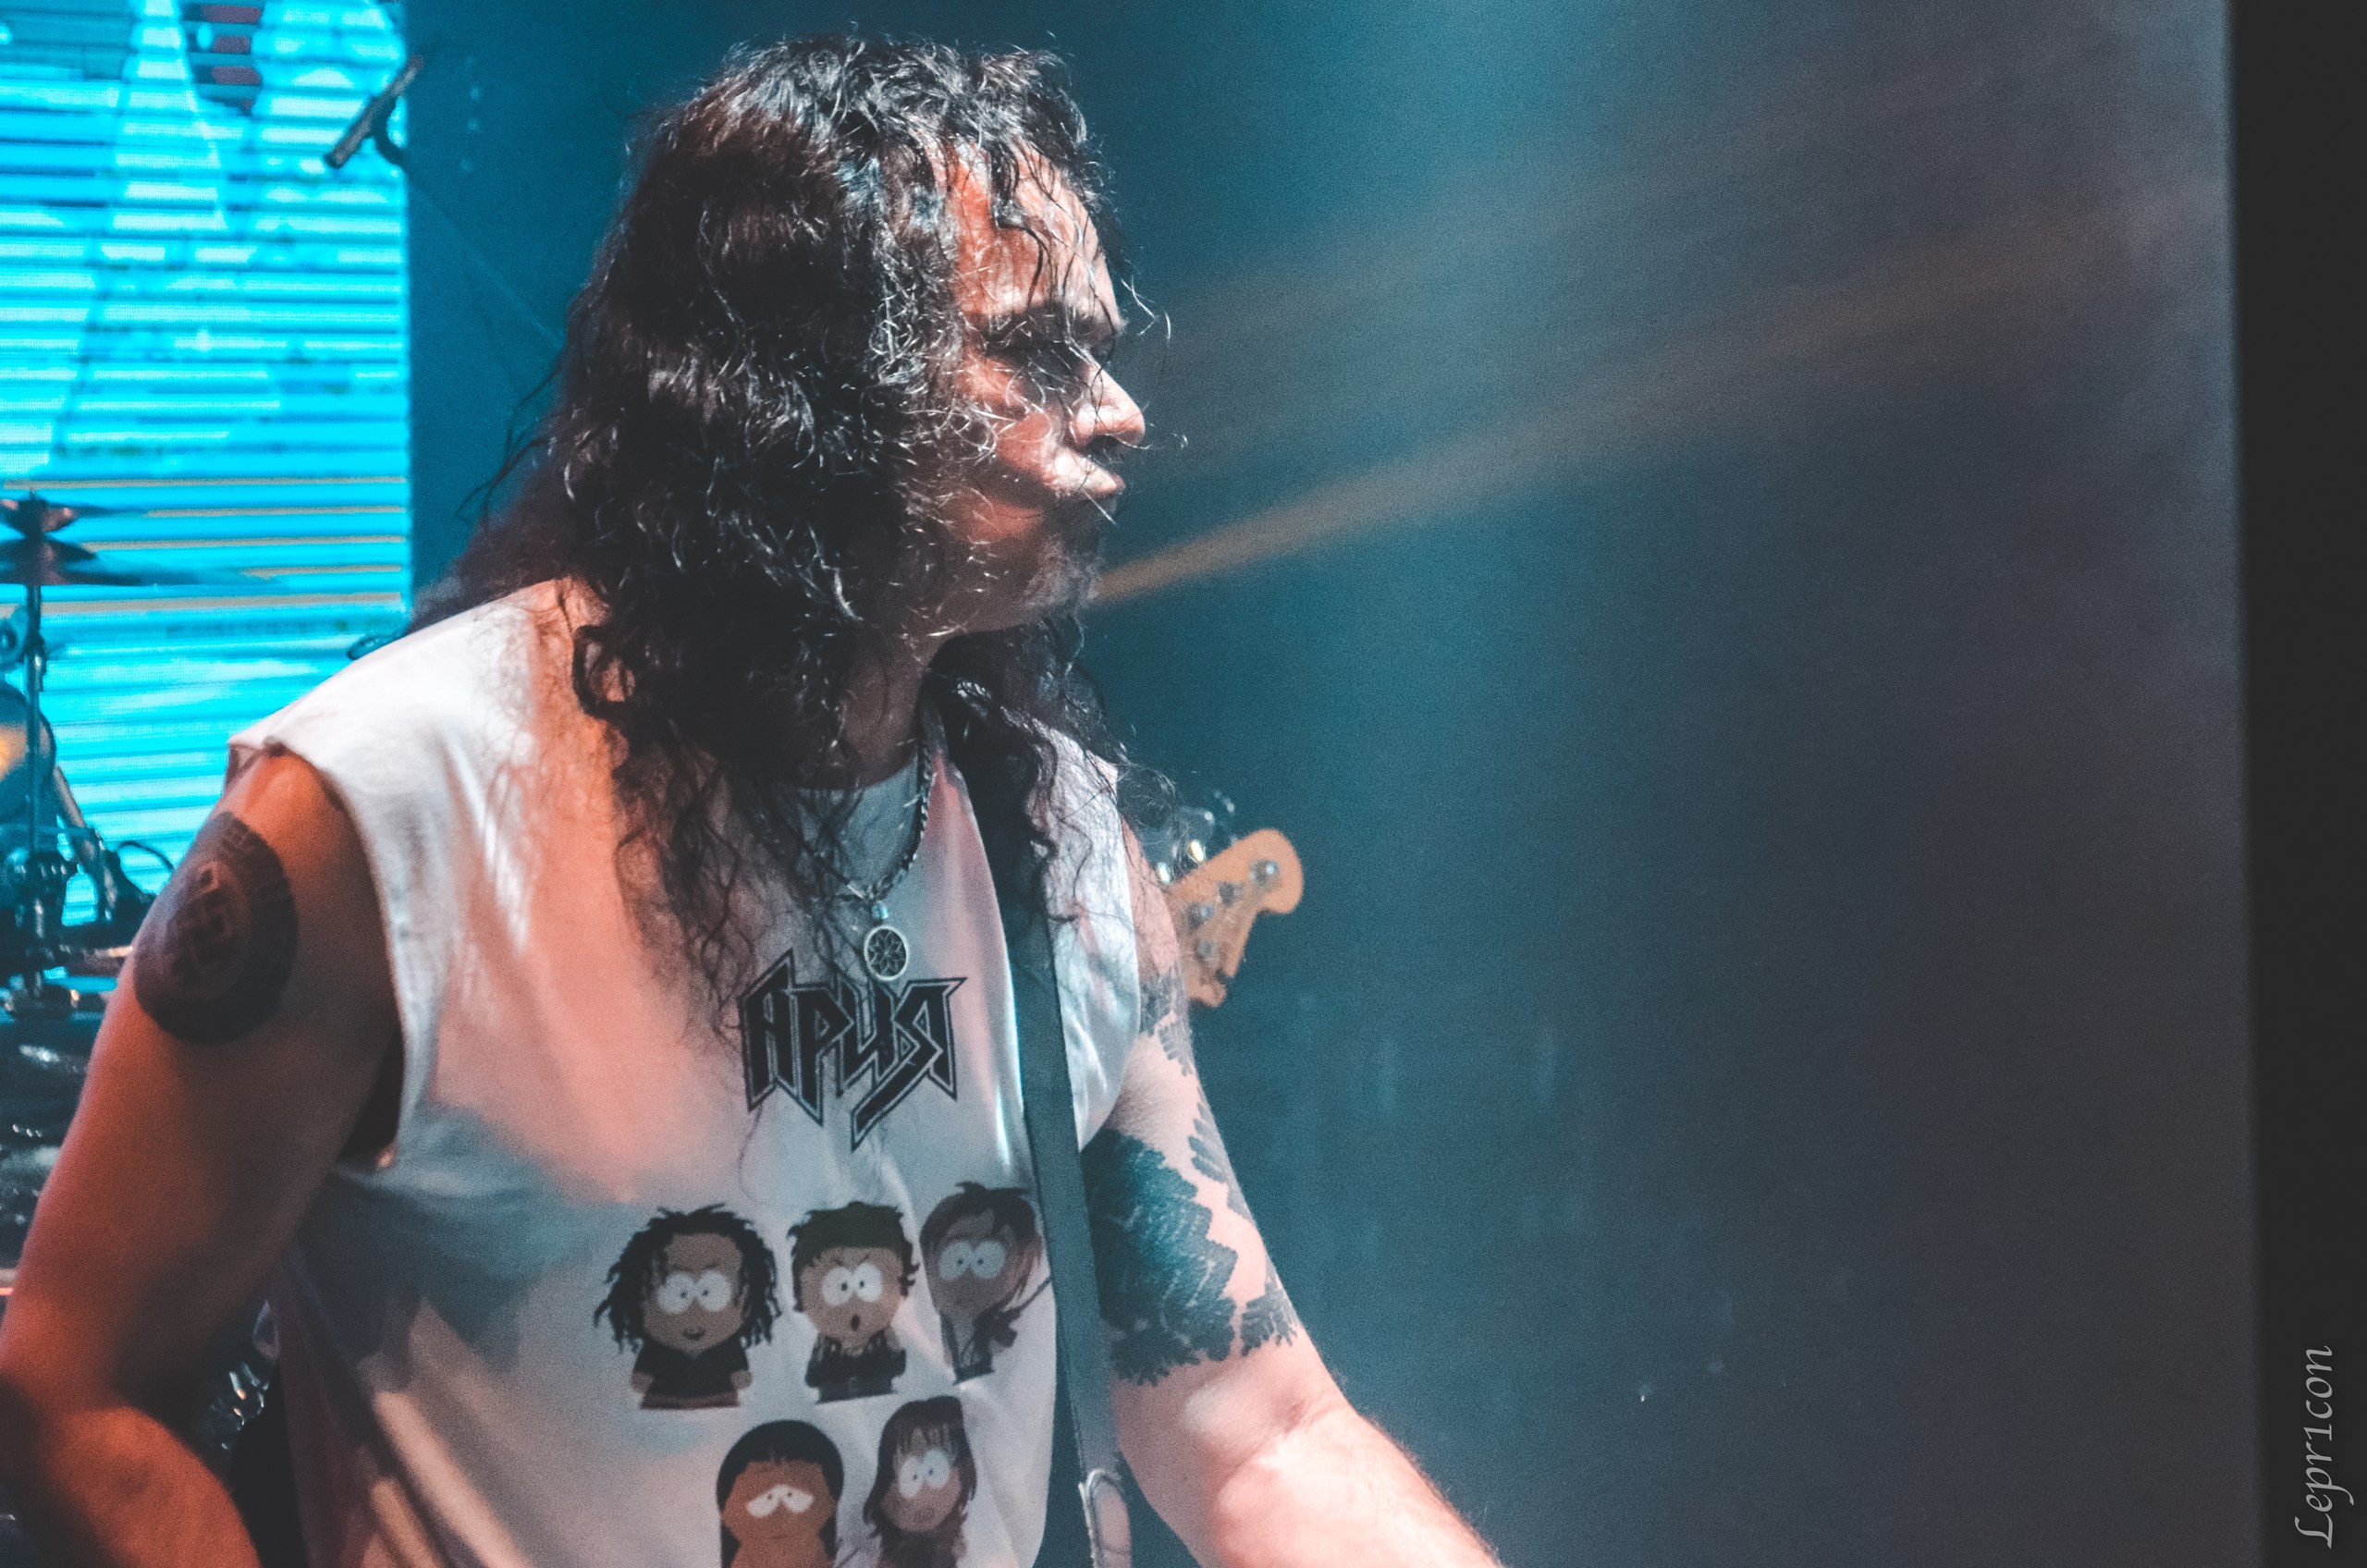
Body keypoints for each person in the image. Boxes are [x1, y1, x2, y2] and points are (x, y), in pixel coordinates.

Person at [0, 34, 1501, 1568]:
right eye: (1039, 352)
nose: (1117, 412)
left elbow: (1256, 1433)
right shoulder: (375, 811)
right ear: (814, 381)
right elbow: (76, 1394)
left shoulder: (1056, 843)